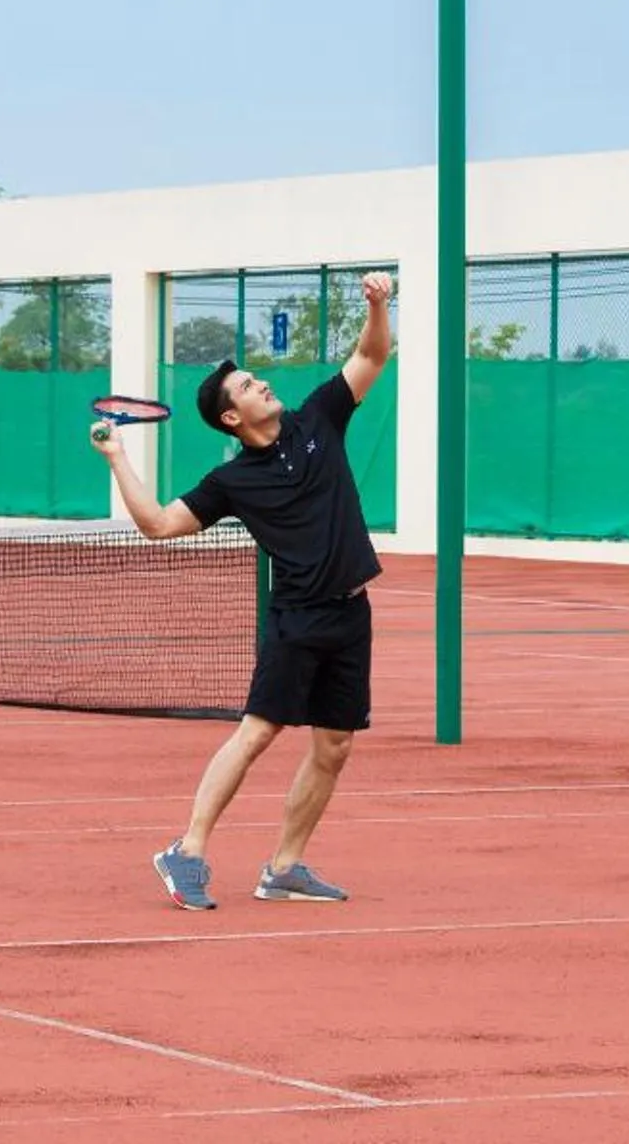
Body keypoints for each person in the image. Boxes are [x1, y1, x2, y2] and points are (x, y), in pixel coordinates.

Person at [97, 272, 393, 910]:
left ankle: (284, 867)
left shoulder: (320, 418)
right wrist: (118, 457)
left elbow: (371, 355)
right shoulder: (231, 482)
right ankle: (189, 849)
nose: (262, 383)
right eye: (249, 386)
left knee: (335, 745)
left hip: (351, 613)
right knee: (257, 733)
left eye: (258, 378)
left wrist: (377, 306)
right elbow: (157, 526)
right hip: (296, 619)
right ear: (233, 417)